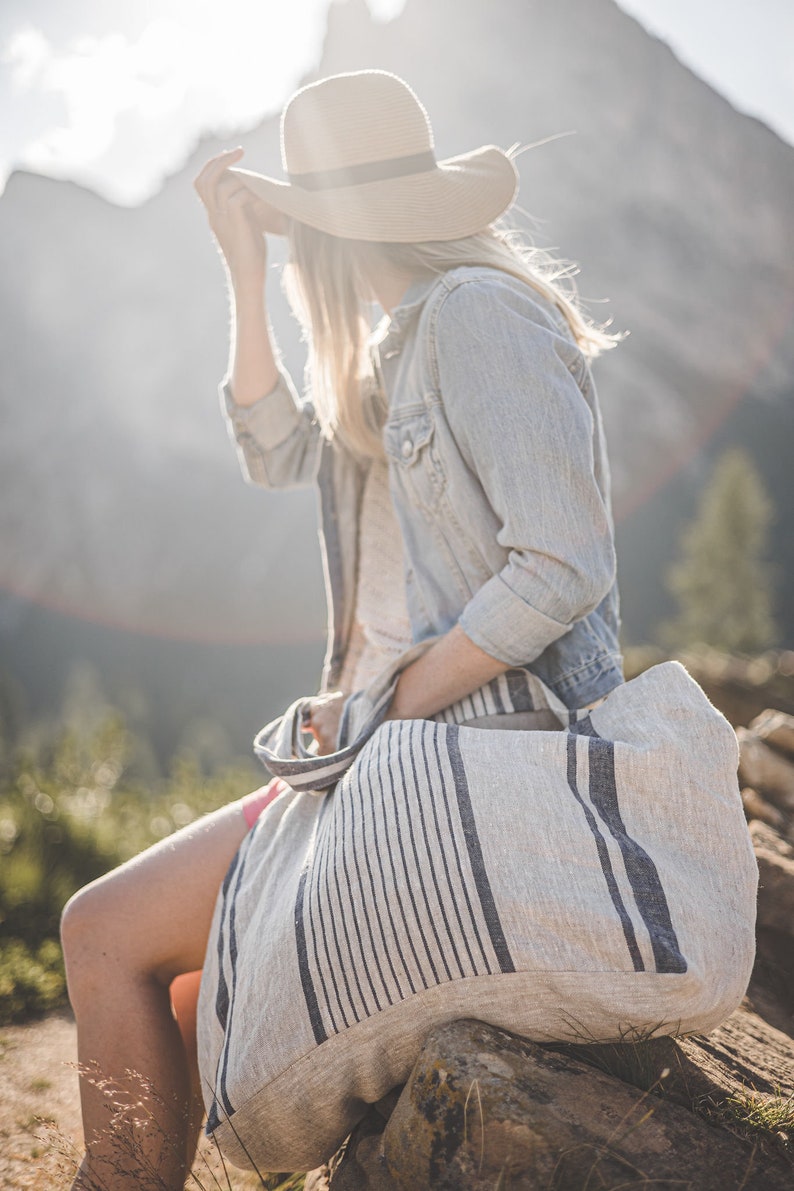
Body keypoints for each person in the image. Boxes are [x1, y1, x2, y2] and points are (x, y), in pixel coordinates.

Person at [61, 69, 623, 1190]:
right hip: (387, 752)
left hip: (463, 751)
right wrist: (242, 269)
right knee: (168, 970)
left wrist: (388, 702)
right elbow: (272, 448)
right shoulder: (393, 349)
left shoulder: (474, 315)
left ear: (326, 222)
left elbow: (562, 562)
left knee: (103, 932)